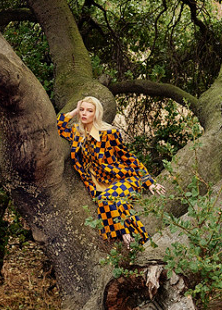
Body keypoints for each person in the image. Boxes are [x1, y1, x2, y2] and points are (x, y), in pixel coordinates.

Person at [57, 96, 165, 247]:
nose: (84, 113)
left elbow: (128, 158)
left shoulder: (110, 133)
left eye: (89, 110)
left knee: (106, 200)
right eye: (82, 110)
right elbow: (59, 125)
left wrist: (149, 182)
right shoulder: (76, 132)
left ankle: (124, 233)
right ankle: (143, 242)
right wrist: (75, 110)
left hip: (123, 179)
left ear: (96, 113)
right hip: (98, 184)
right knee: (120, 205)